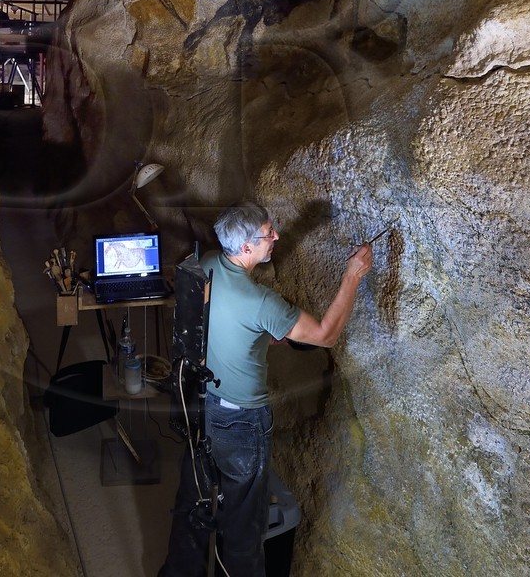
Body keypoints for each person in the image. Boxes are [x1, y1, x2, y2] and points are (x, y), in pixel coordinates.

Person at [159, 202, 374, 577]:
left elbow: (215, 320)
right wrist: (353, 275)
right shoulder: (261, 302)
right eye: (267, 233)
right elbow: (326, 334)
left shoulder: (208, 263)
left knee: (193, 504)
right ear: (246, 247)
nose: (276, 236)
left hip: (200, 405)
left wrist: (256, 335)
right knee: (244, 524)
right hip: (241, 422)